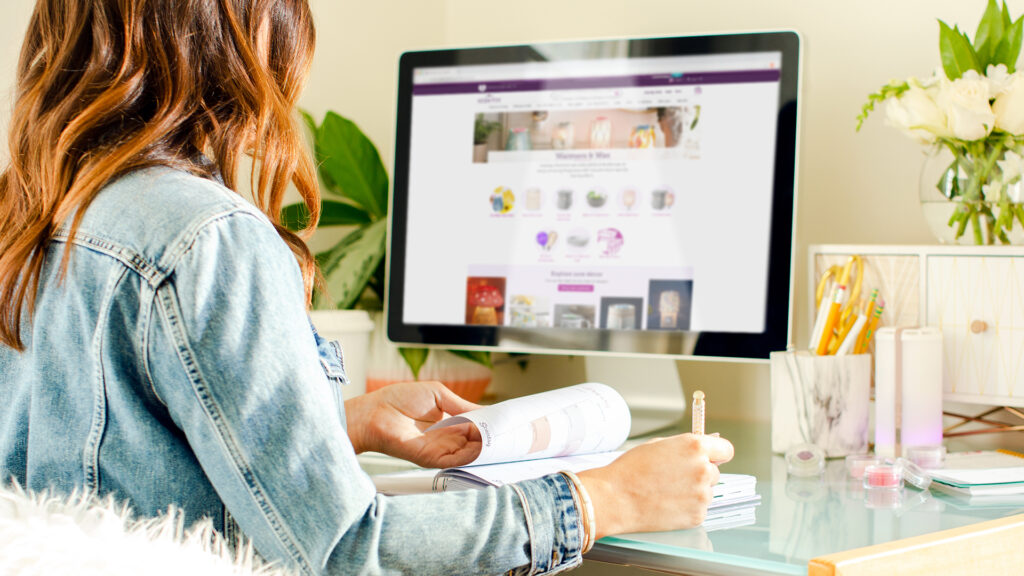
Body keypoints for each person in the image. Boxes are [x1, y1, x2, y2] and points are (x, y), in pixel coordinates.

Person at [0, 1, 734, 574]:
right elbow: (348, 553)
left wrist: (342, 423)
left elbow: (108, 472)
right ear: (236, 39)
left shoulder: (27, 211)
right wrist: (605, 498)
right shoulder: (207, 236)